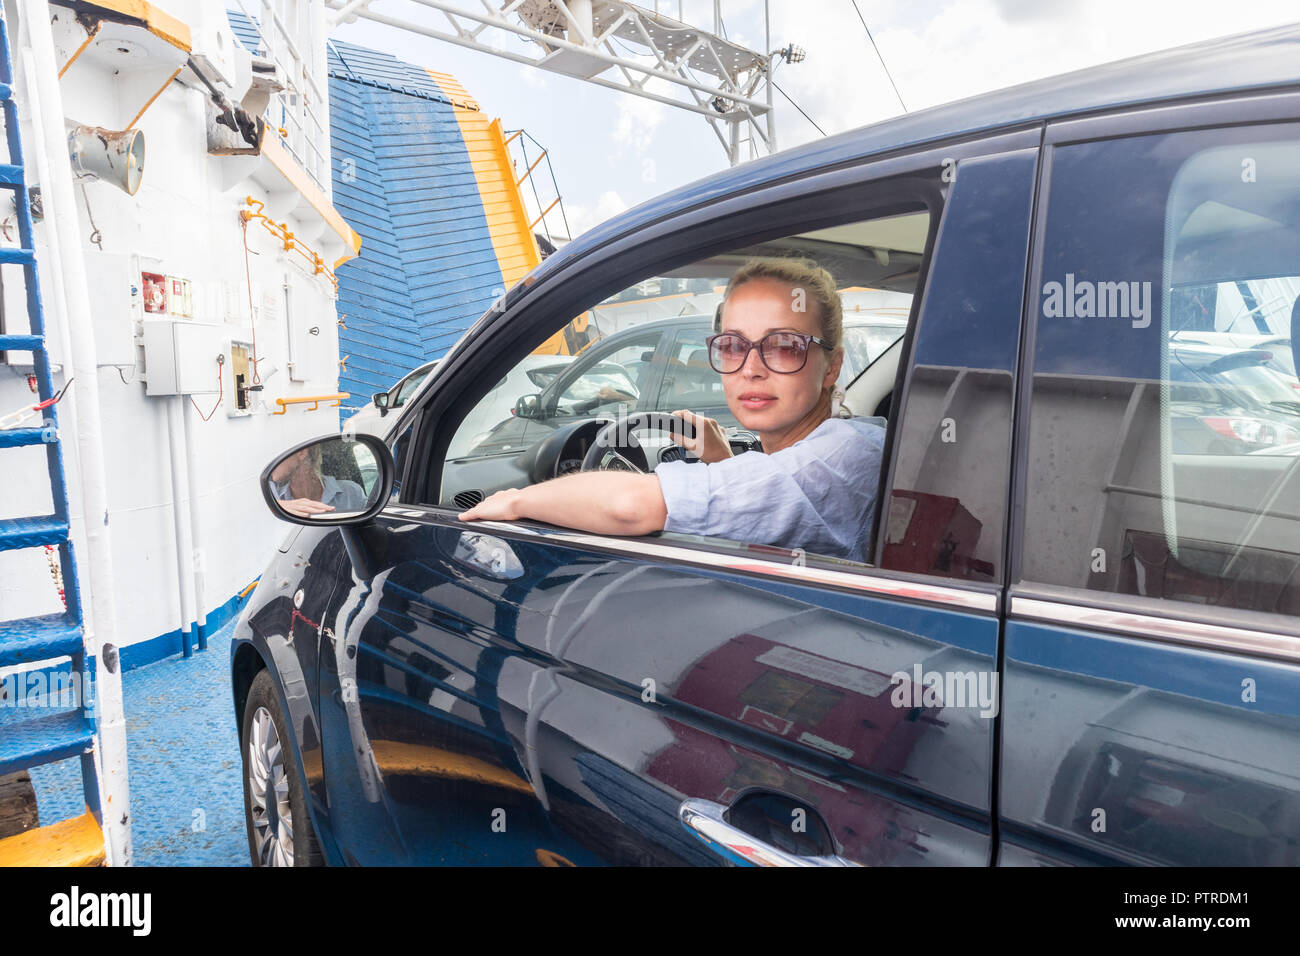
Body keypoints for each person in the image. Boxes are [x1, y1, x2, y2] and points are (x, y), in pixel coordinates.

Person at [459, 258, 887, 564]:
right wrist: (724, 463)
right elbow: (777, 501)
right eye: (734, 345)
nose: (751, 369)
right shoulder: (853, 443)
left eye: (784, 346)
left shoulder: (836, 459)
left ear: (831, 366)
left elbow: (630, 505)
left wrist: (515, 500)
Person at [269, 442, 370, 518]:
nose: (269, 461)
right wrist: (276, 507)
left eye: (275, 453)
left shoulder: (351, 491)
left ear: (301, 452)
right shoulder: (275, 501)